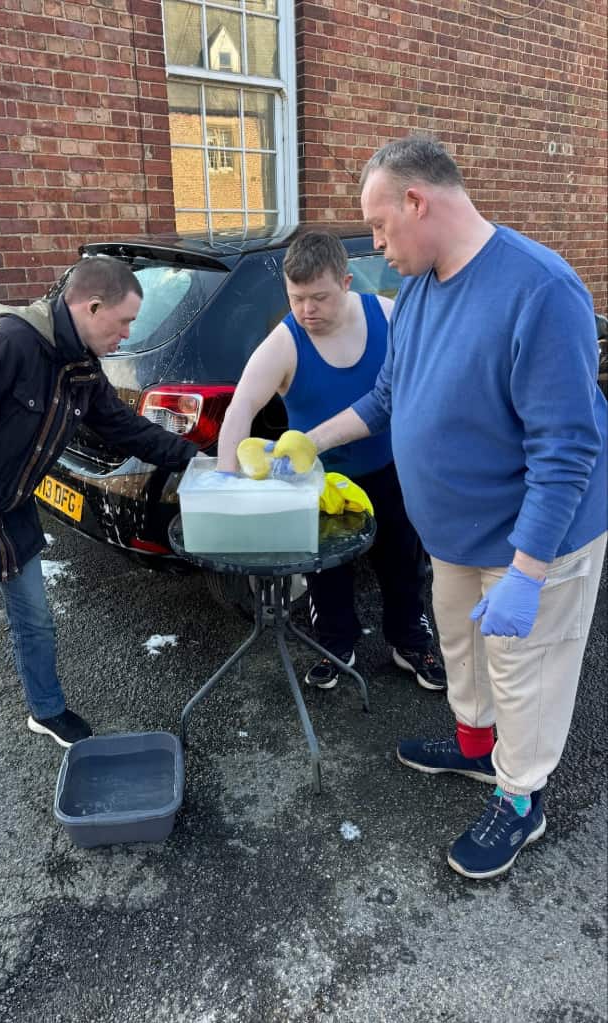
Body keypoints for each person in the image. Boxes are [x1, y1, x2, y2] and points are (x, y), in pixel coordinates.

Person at [290, 135, 606, 880]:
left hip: (534, 541)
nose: (375, 245)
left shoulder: (540, 289)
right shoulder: (422, 289)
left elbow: (566, 448)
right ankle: (475, 748)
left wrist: (528, 572)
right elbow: (388, 396)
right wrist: (308, 441)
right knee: (462, 649)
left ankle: (521, 798)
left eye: (378, 226)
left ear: (416, 201)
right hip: (455, 536)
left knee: (525, 672)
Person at [0, 256, 198, 816]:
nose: (127, 334)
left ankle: (46, 710)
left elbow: (122, 426)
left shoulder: (80, 364)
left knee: (35, 620)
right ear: (91, 307)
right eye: (124, 321)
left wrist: (197, 460)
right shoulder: (6, 344)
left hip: (12, 511)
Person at [217, 230, 446, 692]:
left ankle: (411, 641)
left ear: (345, 282)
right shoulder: (284, 344)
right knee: (327, 574)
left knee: (403, 563)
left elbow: (427, 382)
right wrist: (226, 490)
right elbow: (240, 409)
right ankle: (336, 645)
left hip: (390, 469)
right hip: (318, 482)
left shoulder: (388, 316)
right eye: (296, 298)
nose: (306, 310)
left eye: (318, 297)